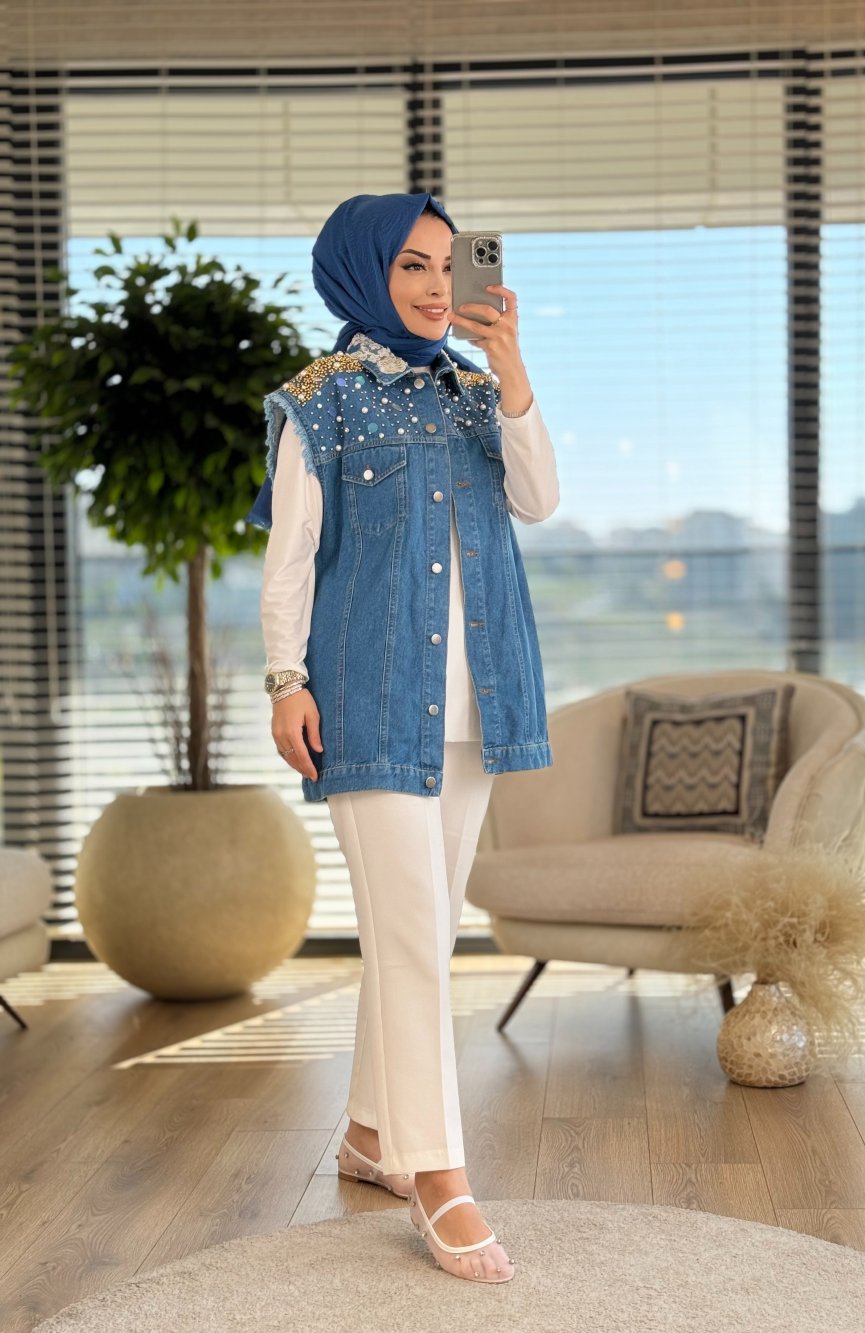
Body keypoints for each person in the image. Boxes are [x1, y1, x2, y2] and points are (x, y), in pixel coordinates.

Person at [245, 192, 559, 1284]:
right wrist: (285, 682)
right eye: (410, 265)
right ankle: (439, 1175)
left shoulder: (477, 393)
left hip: (479, 702)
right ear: (362, 272)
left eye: (445, 264)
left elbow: (540, 497)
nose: (434, 286)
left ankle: (374, 1132)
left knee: (418, 931)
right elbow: (289, 559)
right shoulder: (319, 401)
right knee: (417, 935)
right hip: (371, 698)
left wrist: (510, 366)